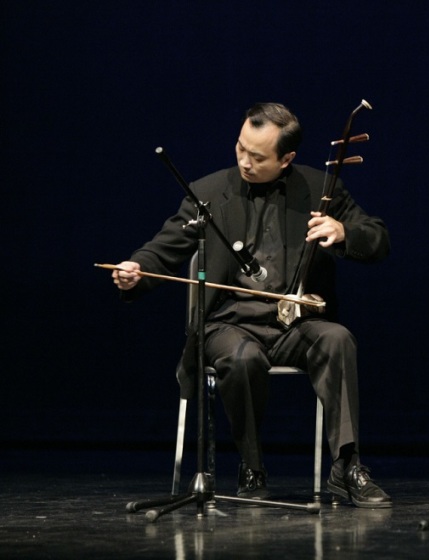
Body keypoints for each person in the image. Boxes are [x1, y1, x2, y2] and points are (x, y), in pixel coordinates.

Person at [112, 102, 392, 508]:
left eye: (257, 156)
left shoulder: (320, 188)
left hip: (294, 324)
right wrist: (137, 269)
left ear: (287, 159)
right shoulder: (208, 192)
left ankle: (347, 466)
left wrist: (344, 231)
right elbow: (166, 247)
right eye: (240, 148)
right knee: (242, 359)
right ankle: (250, 465)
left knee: (339, 340)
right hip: (229, 325)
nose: (244, 161)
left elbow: (378, 238)